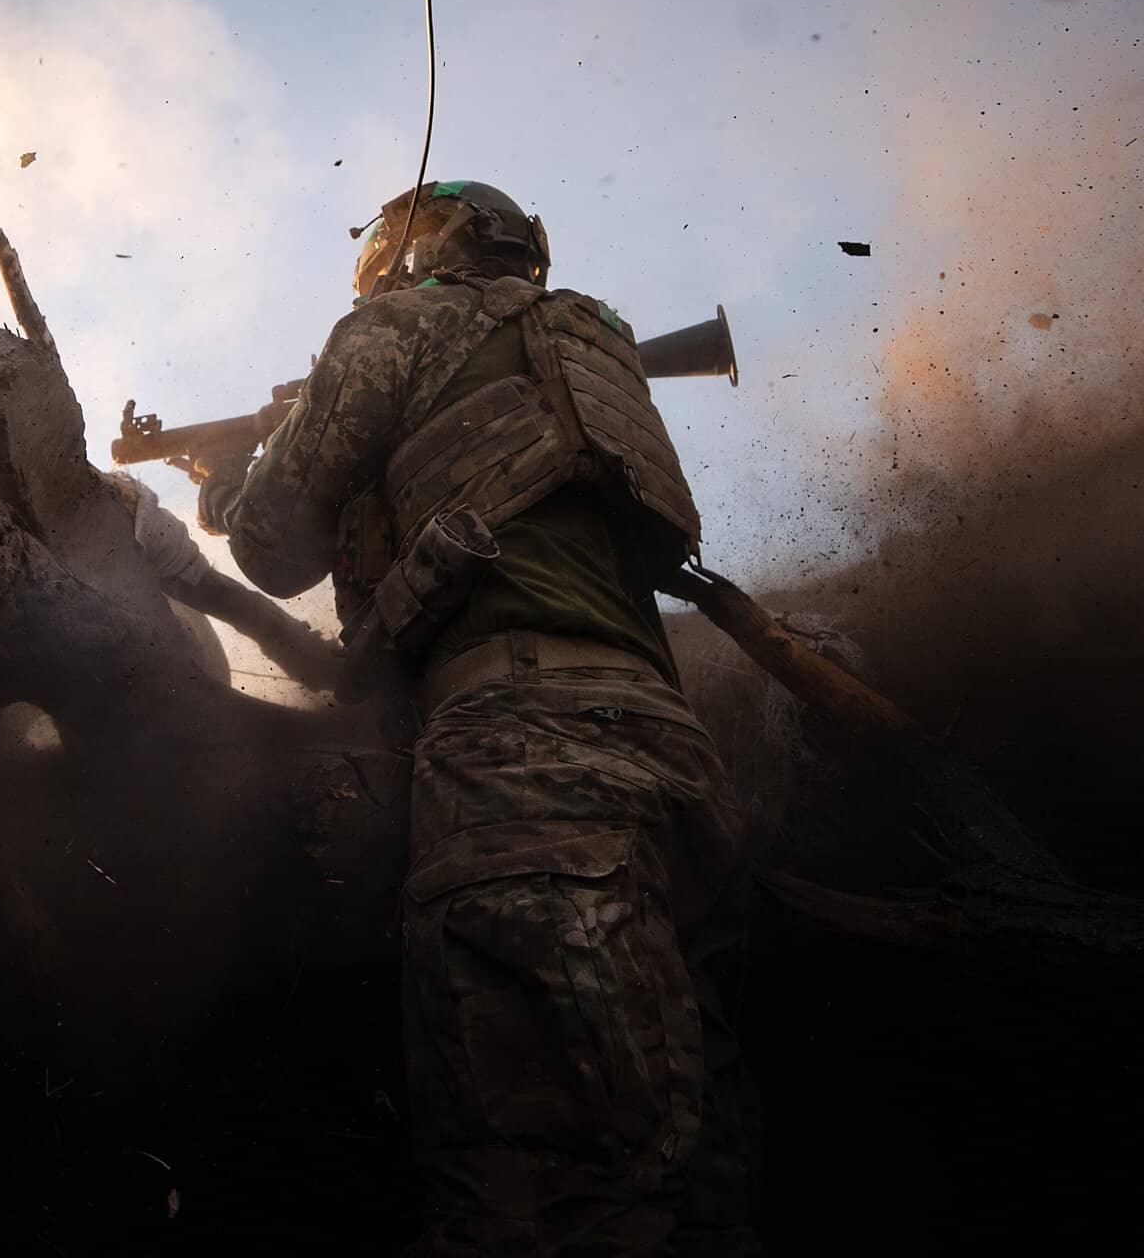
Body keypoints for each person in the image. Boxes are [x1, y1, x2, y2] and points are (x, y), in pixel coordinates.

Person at [197, 180, 756, 1256]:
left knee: (541, 1186)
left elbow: (271, 546)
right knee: (700, 1178)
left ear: (415, 250)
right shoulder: (594, 340)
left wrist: (244, 467)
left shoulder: (397, 323)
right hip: (674, 759)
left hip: (521, 767)